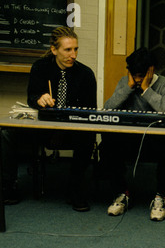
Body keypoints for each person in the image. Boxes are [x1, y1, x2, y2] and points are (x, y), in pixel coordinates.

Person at [1, 26, 97, 212]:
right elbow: (31, 97)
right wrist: (39, 99)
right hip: (42, 127)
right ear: (54, 50)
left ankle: (75, 188)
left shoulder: (85, 74)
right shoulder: (40, 67)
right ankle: (8, 185)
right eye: (68, 50)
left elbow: (90, 110)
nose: (73, 55)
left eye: (75, 49)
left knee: (88, 136)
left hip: (71, 129)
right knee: (7, 133)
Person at [99, 47, 165, 220]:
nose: (138, 79)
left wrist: (147, 90)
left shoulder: (164, 84)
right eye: (134, 75)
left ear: (151, 70)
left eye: (141, 74)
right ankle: (121, 194)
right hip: (130, 140)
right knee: (108, 144)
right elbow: (108, 109)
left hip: (155, 142)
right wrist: (128, 87)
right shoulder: (126, 83)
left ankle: (161, 196)